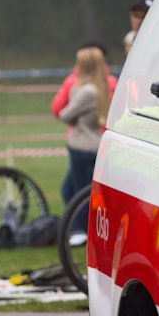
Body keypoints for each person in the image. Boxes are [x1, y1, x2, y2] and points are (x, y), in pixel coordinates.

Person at [57, 46, 111, 246]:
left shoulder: (87, 91)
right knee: (71, 190)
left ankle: (81, 231)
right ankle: (82, 228)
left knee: (78, 192)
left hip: (82, 147)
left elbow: (65, 114)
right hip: (91, 144)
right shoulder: (100, 86)